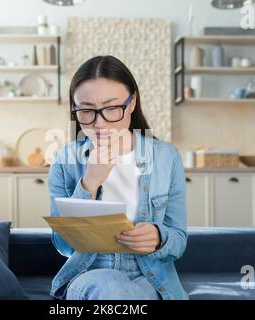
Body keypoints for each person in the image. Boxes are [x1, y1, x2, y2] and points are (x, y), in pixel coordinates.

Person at [48, 55, 188, 300]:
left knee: (127, 294)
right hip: (89, 276)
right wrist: (89, 183)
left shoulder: (167, 158)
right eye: (86, 110)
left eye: (112, 108)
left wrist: (158, 237)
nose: (99, 123)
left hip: (149, 278)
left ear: (132, 102)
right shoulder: (64, 160)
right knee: (111, 286)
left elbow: (179, 240)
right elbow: (63, 245)